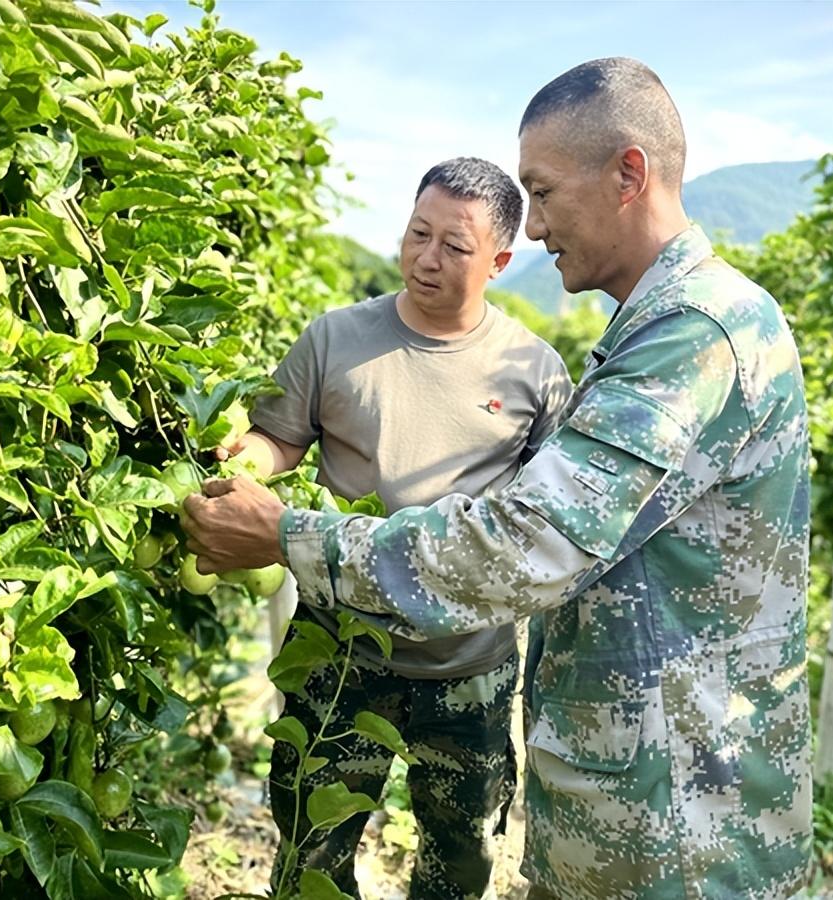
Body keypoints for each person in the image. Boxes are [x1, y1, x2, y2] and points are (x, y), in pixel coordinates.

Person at [185, 58, 812, 899]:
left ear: (629, 173)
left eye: (543, 192)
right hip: (645, 797)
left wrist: (287, 535)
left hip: (679, 819)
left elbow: (527, 540)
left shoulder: (692, 335)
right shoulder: (657, 328)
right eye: (419, 233)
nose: (541, 225)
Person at [217, 156, 572, 899]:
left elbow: (547, 513)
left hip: (468, 666)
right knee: (311, 848)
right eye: (417, 234)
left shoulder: (532, 371)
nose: (426, 258)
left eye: (454, 246)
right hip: (337, 655)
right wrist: (248, 456)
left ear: (501, 261)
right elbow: (280, 437)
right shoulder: (335, 339)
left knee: (461, 858)